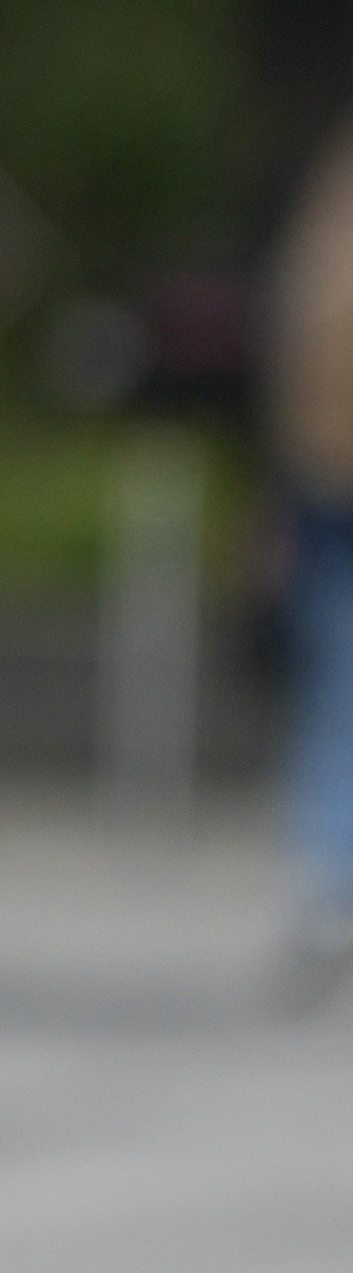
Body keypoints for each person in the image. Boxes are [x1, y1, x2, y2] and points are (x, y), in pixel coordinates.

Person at [270, 122, 353, 998]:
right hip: (328, 470)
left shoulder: (337, 176)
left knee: (338, 675)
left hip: (326, 463)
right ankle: (331, 879)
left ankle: (331, 881)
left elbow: (299, 331)